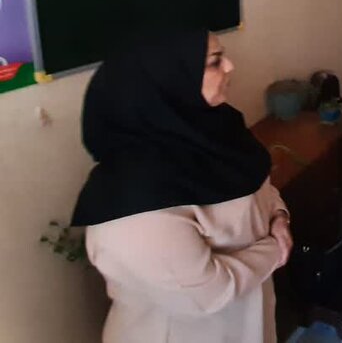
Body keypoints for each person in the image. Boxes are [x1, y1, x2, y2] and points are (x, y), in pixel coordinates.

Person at [71, 30, 292, 343]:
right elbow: (205, 295)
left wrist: (279, 217)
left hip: (247, 320)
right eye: (215, 61)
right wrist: (275, 249)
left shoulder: (218, 133)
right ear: (168, 78)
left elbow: (260, 188)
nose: (230, 66)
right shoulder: (134, 199)